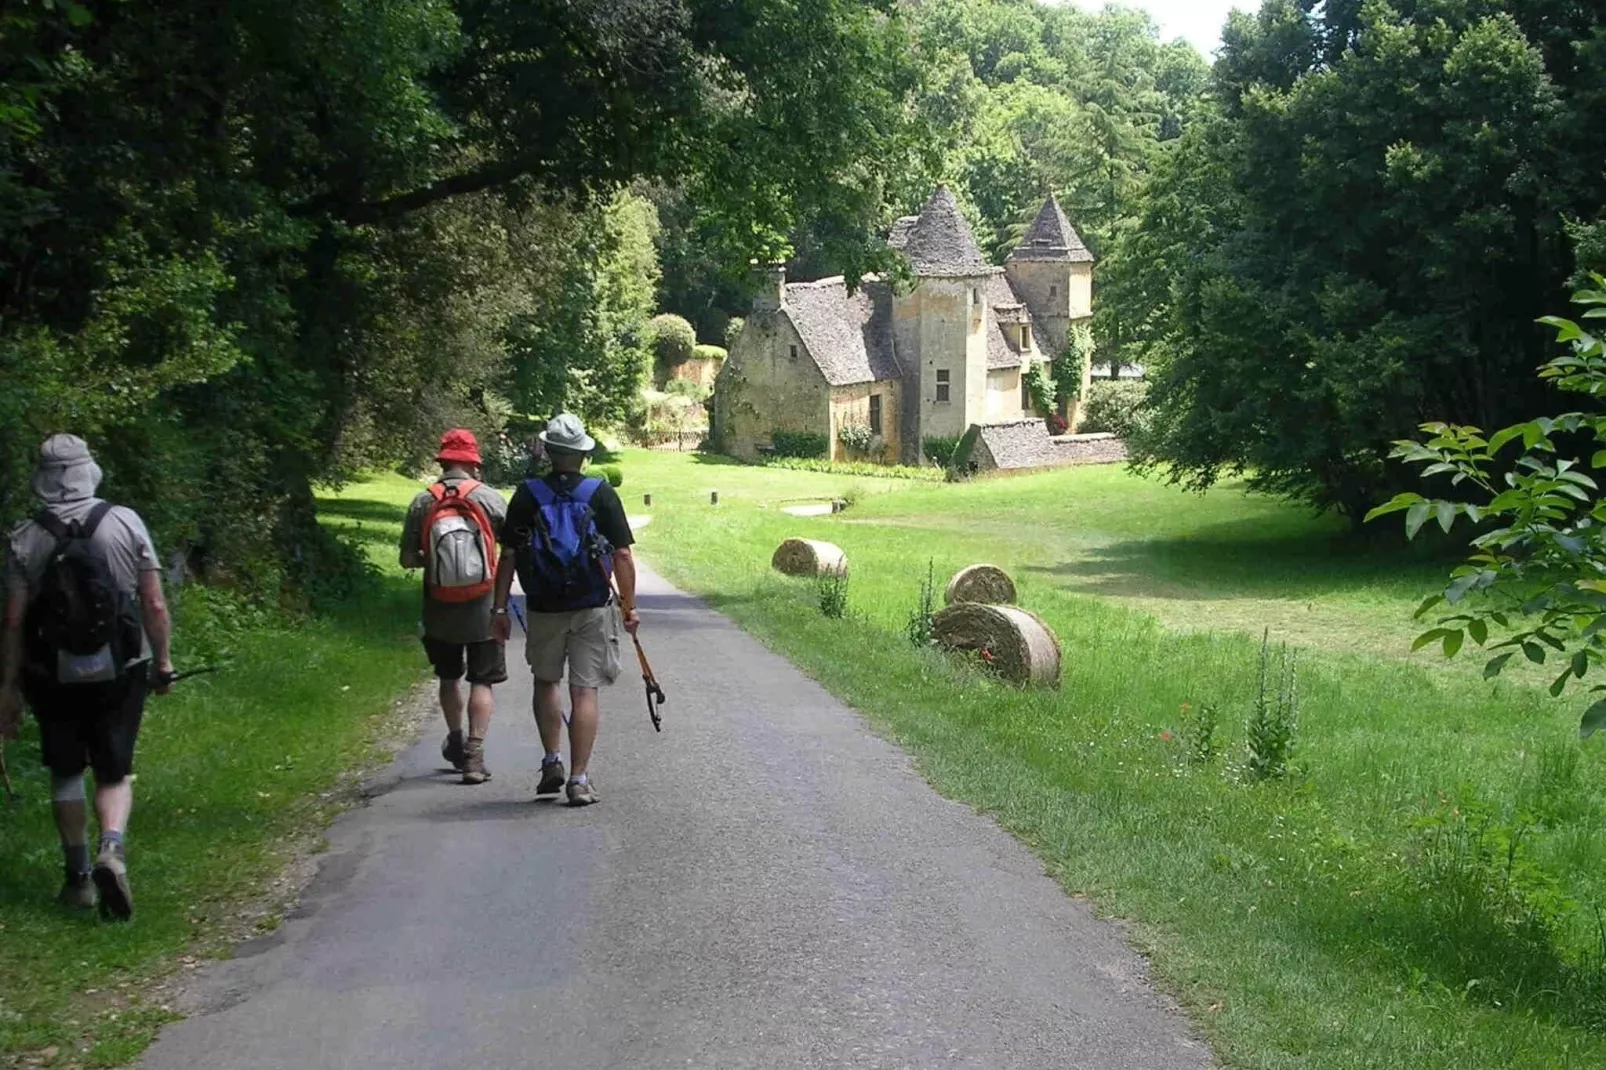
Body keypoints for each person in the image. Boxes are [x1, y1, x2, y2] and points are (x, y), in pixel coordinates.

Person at [0, 434, 174, 920]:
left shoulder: (25, 535)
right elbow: (154, 603)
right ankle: (112, 848)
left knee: (65, 770)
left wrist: (7, 687)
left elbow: (13, 620)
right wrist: (162, 662)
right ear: (88, 471)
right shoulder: (124, 522)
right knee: (114, 768)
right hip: (121, 667)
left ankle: (77, 879)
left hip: (49, 674)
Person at [493, 414, 637, 806]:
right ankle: (579, 779)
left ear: (549, 452)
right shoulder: (600, 493)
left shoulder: (527, 494)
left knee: (546, 681)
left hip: (542, 604)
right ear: (582, 455)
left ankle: (551, 759)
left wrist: (499, 607)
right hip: (590, 604)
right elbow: (622, 554)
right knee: (584, 689)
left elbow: (507, 555)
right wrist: (629, 606)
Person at [400, 429, 508, 785]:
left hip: (439, 608)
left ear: (443, 460)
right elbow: (512, 548)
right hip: (484, 607)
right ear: (473, 462)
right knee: (482, 680)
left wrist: (432, 559)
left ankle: (456, 740)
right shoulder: (489, 499)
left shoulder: (423, 501)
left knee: (449, 677)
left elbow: (407, 559)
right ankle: (475, 757)